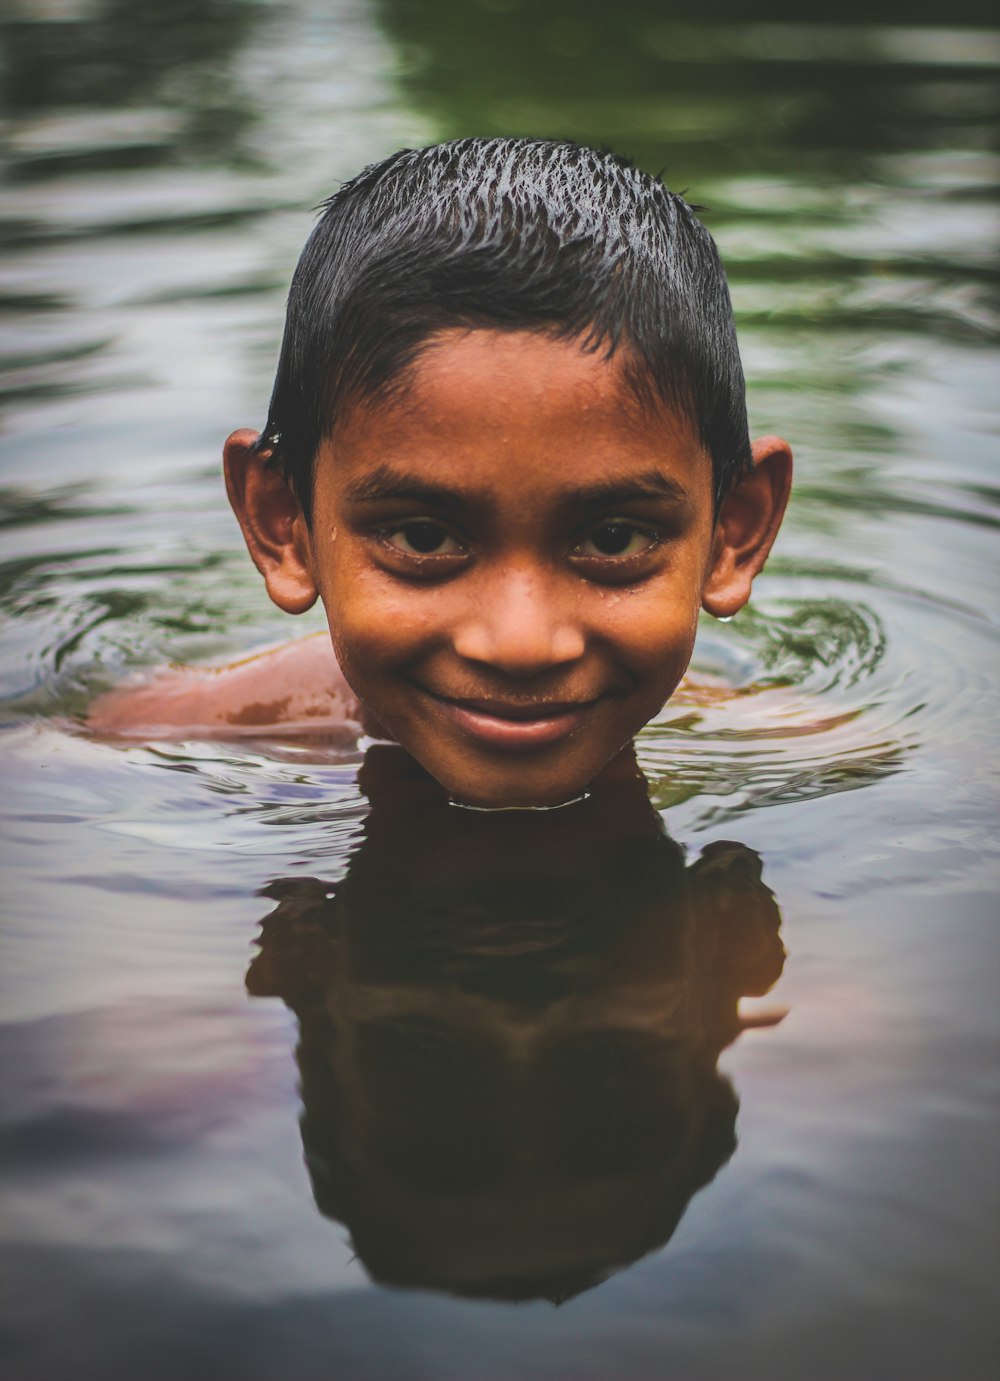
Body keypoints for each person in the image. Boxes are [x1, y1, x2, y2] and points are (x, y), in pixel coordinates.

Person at [88, 137, 792, 809]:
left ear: (734, 532)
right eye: (423, 539)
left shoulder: (794, 747)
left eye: (613, 541)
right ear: (286, 523)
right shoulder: (141, 751)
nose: (520, 645)